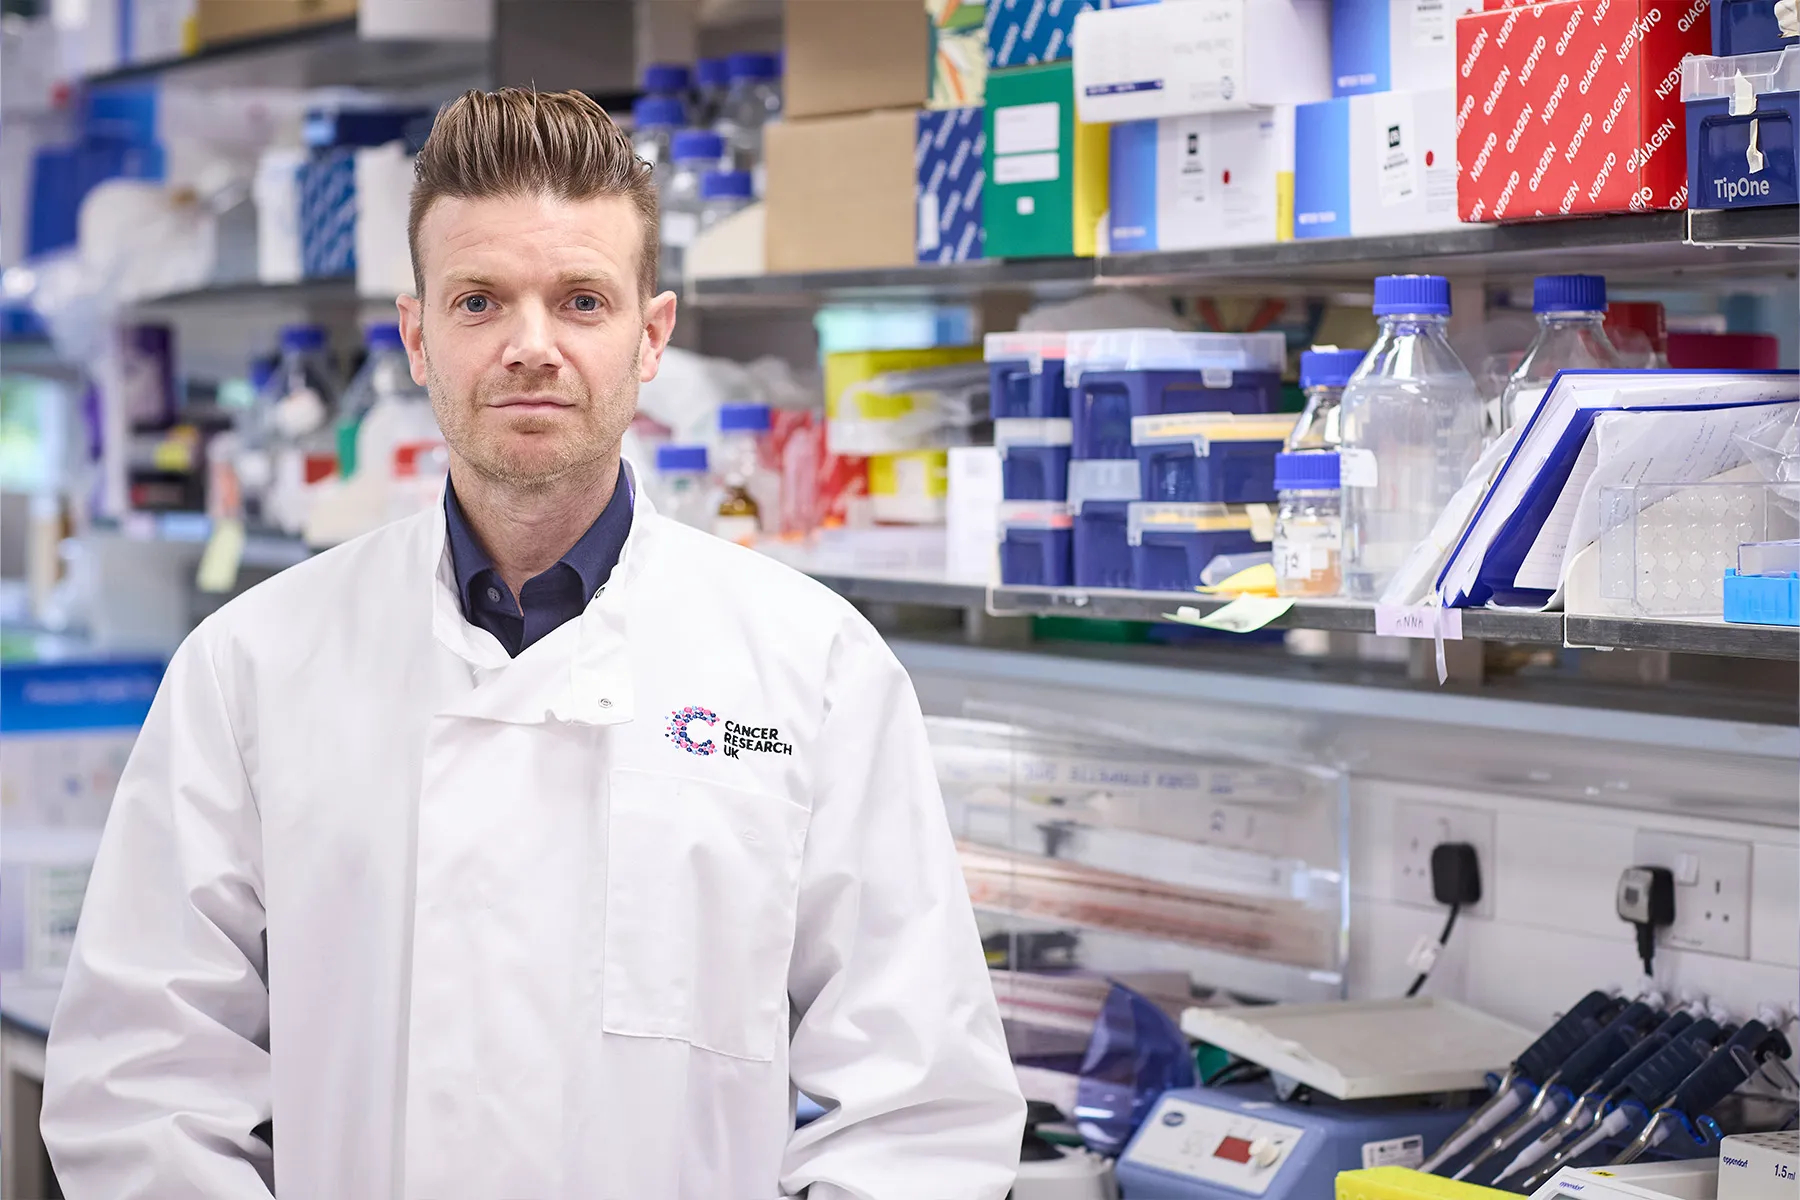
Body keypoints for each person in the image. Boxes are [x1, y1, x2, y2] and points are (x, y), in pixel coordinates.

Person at [41, 89, 1025, 1199]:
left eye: (582, 299)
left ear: (650, 336)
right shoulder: (252, 667)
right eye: (478, 301)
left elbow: (920, 1110)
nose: (532, 346)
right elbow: (140, 1082)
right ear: (418, 336)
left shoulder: (814, 669)